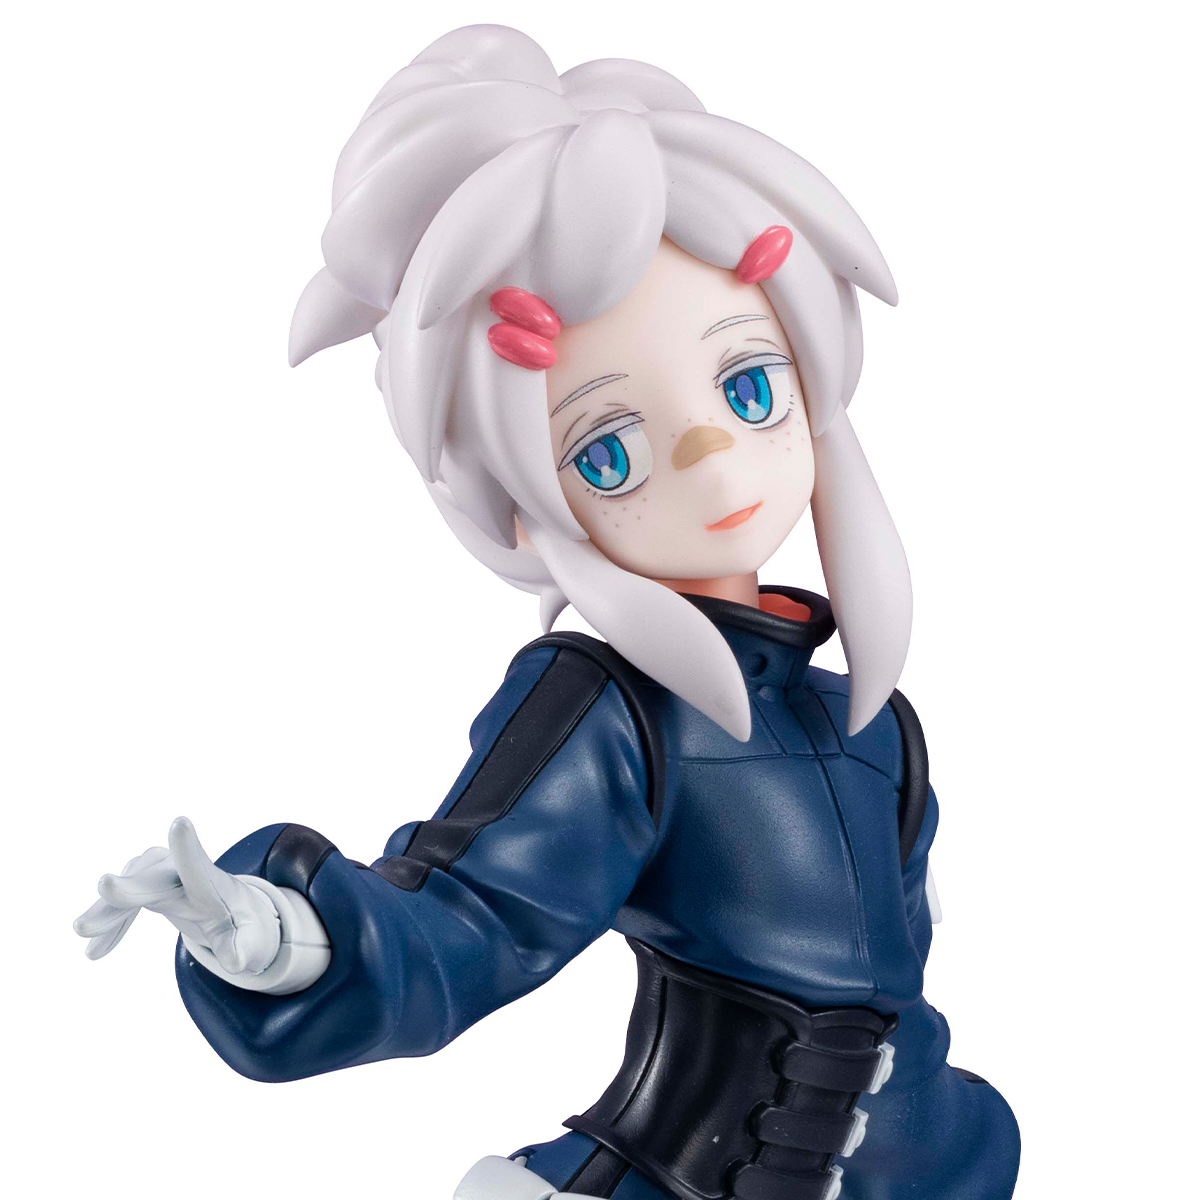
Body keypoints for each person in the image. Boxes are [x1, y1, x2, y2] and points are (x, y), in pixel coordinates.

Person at [75, 25, 1020, 1200]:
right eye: (607, 447)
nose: (711, 454)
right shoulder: (612, 714)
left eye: (748, 386)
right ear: (521, 502)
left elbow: (891, 994)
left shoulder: (877, 729)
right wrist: (283, 935)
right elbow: (475, 912)